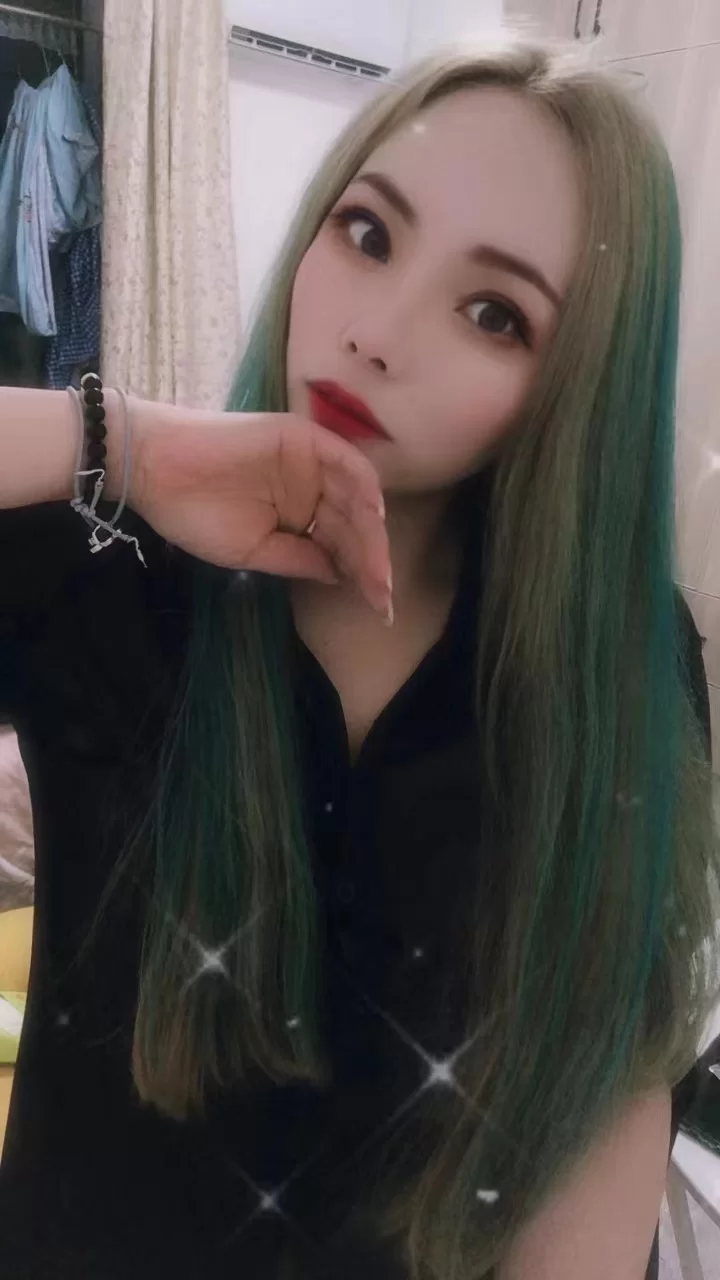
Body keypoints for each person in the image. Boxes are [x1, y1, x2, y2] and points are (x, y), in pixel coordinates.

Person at [0, 39, 718, 1280]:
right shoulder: (107, 569)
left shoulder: (622, 669)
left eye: (494, 313)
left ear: (578, 381)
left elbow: (609, 1070)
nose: (376, 334)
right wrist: (125, 441)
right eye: (369, 233)